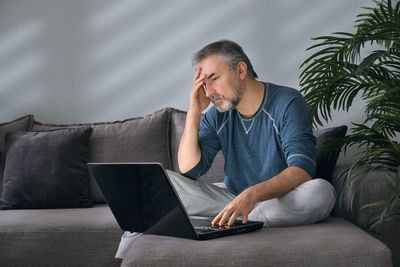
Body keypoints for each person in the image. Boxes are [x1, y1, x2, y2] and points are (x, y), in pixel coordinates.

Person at [115, 40, 336, 259]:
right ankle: (232, 220)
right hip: (230, 199)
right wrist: (194, 111)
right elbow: (189, 171)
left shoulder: (287, 101)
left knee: (321, 192)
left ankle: (222, 220)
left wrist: (252, 195)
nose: (209, 91)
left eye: (214, 78)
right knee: (159, 185)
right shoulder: (217, 114)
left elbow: (302, 169)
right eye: (203, 83)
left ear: (240, 70)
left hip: (281, 199)